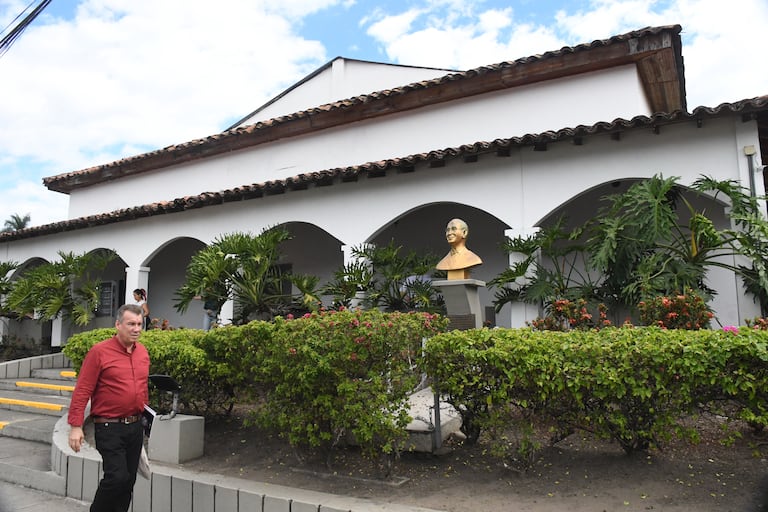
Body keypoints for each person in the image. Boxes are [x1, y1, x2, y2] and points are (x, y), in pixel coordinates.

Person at [67, 304, 150, 512]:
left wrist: (146, 418)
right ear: (118, 325)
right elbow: (83, 389)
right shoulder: (99, 352)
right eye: (131, 324)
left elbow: (142, 388)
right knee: (116, 477)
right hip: (109, 426)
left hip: (135, 426)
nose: (136, 328)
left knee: (128, 482)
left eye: (139, 324)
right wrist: (76, 426)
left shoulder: (143, 353)